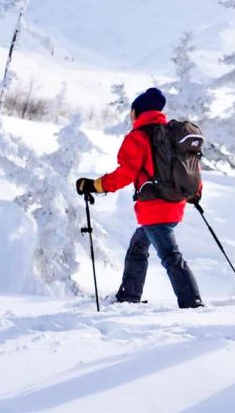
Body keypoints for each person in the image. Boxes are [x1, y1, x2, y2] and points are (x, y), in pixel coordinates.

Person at [76, 87, 203, 309]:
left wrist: (96, 185)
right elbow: (190, 167)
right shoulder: (171, 134)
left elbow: (126, 173)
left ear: (137, 112)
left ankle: (192, 303)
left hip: (154, 208)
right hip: (174, 205)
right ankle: (128, 296)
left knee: (170, 257)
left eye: (131, 111)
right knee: (138, 248)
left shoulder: (139, 137)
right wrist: (194, 193)